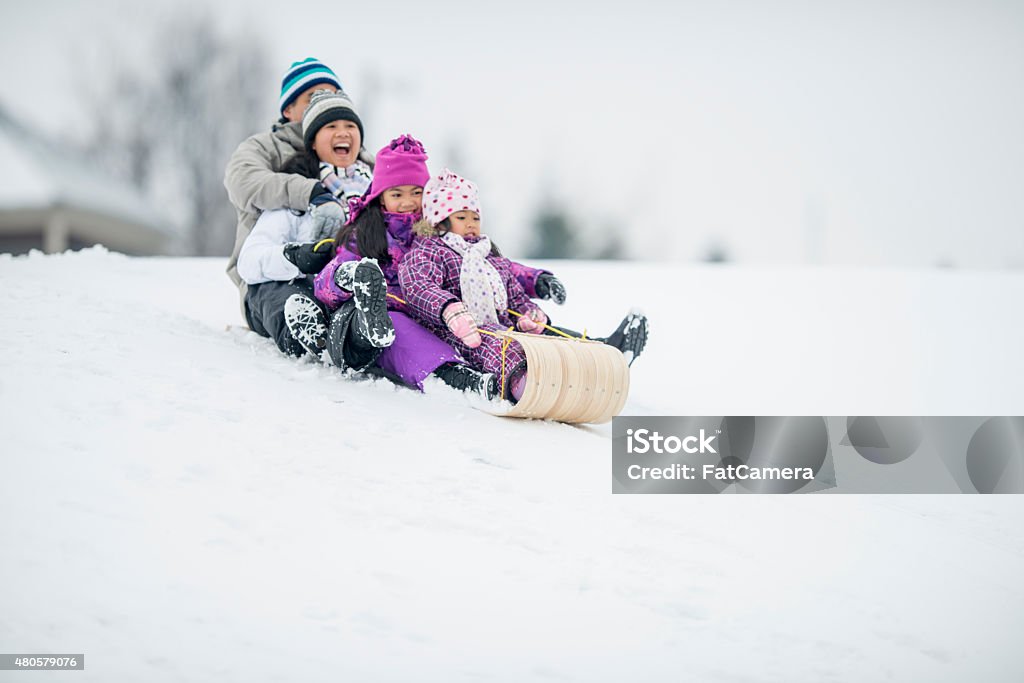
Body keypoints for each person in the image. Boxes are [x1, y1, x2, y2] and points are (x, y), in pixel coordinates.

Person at [312, 134, 502, 397]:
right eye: (397, 193)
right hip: (361, 326)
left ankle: (504, 365)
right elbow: (323, 284)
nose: (407, 201)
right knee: (395, 324)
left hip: (426, 314)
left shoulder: (438, 233)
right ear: (381, 197)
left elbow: (484, 265)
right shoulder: (366, 232)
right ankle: (452, 376)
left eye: (416, 192)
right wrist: (348, 277)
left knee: (451, 326)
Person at [234, 86, 371, 358]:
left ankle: (355, 336)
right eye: (331, 126)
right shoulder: (296, 195)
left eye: (350, 125)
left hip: (340, 289)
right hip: (288, 287)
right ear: (312, 142)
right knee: (282, 294)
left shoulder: (374, 193)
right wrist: (294, 257)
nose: (343, 132)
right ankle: (306, 333)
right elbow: (249, 261)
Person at [399, 169, 549, 401]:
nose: (470, 224)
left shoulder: (490, 258)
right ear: (440, 222)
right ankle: (525, 385)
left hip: (500, 326)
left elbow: (516, 297)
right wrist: (450, 310)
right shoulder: (429, 251)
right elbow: (418, 286)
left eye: (475, 218)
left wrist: (529, 315)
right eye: (461, 218)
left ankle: (561, 377)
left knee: (537, 345)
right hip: (453, 333)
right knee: (502, 347)